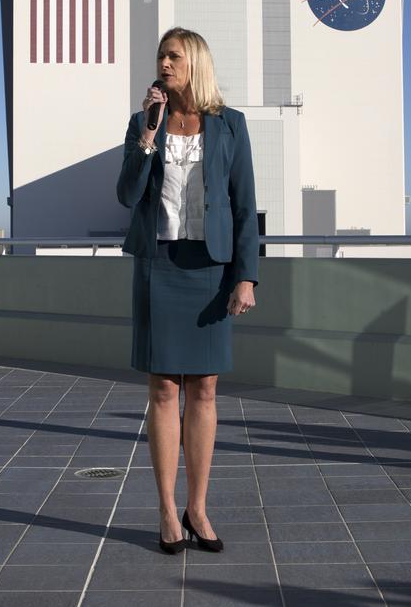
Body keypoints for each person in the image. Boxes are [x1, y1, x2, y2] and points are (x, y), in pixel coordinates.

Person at [116, 27, 258, 555]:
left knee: (204, 390)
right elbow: (128, 193)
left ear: (195, 62)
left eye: (173, 56)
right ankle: (165, 512)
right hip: (159, 263)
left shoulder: (230, 125)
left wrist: (246, 275)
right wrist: (148, 136)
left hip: (211, 267)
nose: (165, 64)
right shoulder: (141, 122)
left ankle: (197, 508)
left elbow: (245, 206)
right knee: (163, 390)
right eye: (161, 57)